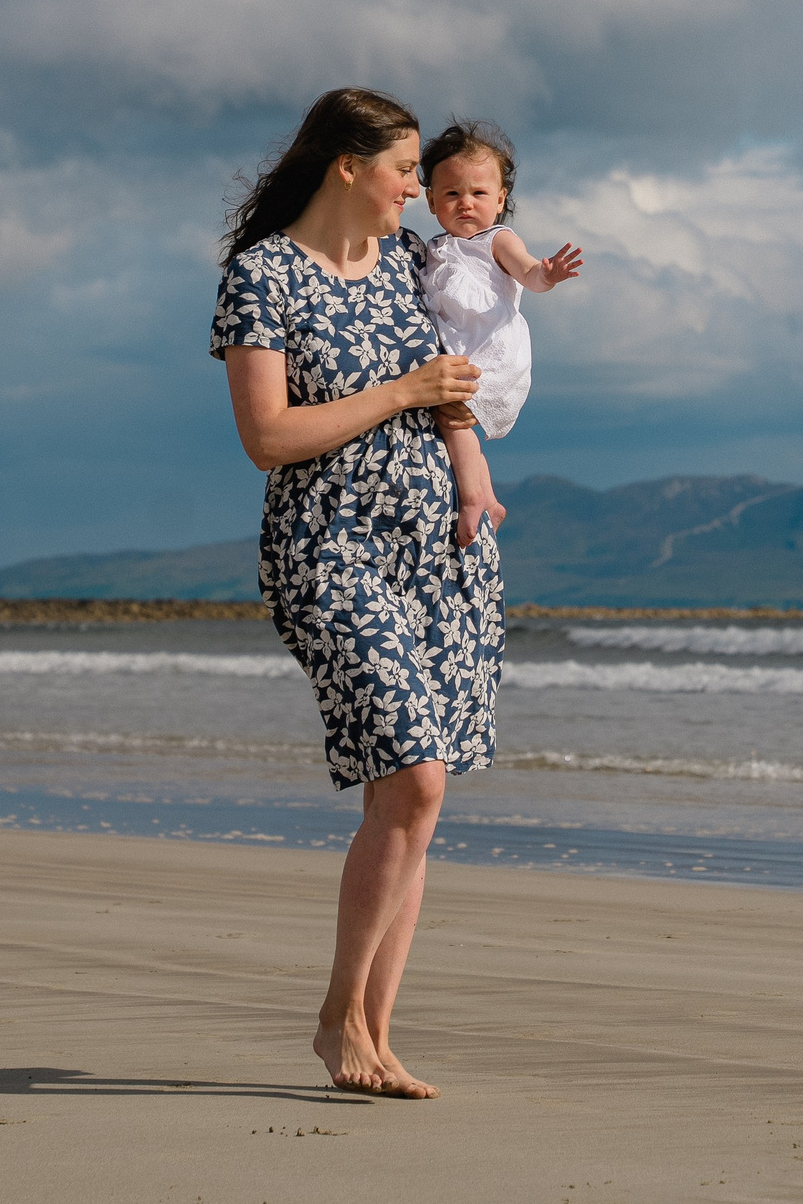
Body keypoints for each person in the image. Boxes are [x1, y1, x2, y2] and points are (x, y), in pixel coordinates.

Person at [211, 86, 503, 1100]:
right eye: (403, 171)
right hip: (328, 550)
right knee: (413, 779)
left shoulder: (411, 264)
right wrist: (401, 395)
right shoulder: (263, 276)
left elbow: (461, 367)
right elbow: (268, 439)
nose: (416, 190)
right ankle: (338, 1018)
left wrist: (470, 471)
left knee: (416, 800)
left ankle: (373, 1037)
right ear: (347, 166)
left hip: (441, 557)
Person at [416, 120, 586, 546]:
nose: (466, 203)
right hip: (466, 350)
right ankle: (490, 498)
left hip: (491, 351)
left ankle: (472, 498)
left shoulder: (498, 239)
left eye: (478, 193)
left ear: (500, 199)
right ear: (432, 200)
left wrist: (546, 273)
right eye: (452, 194)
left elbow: (528, 272)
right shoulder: (433, 248)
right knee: (458, 424)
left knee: (451, 419)